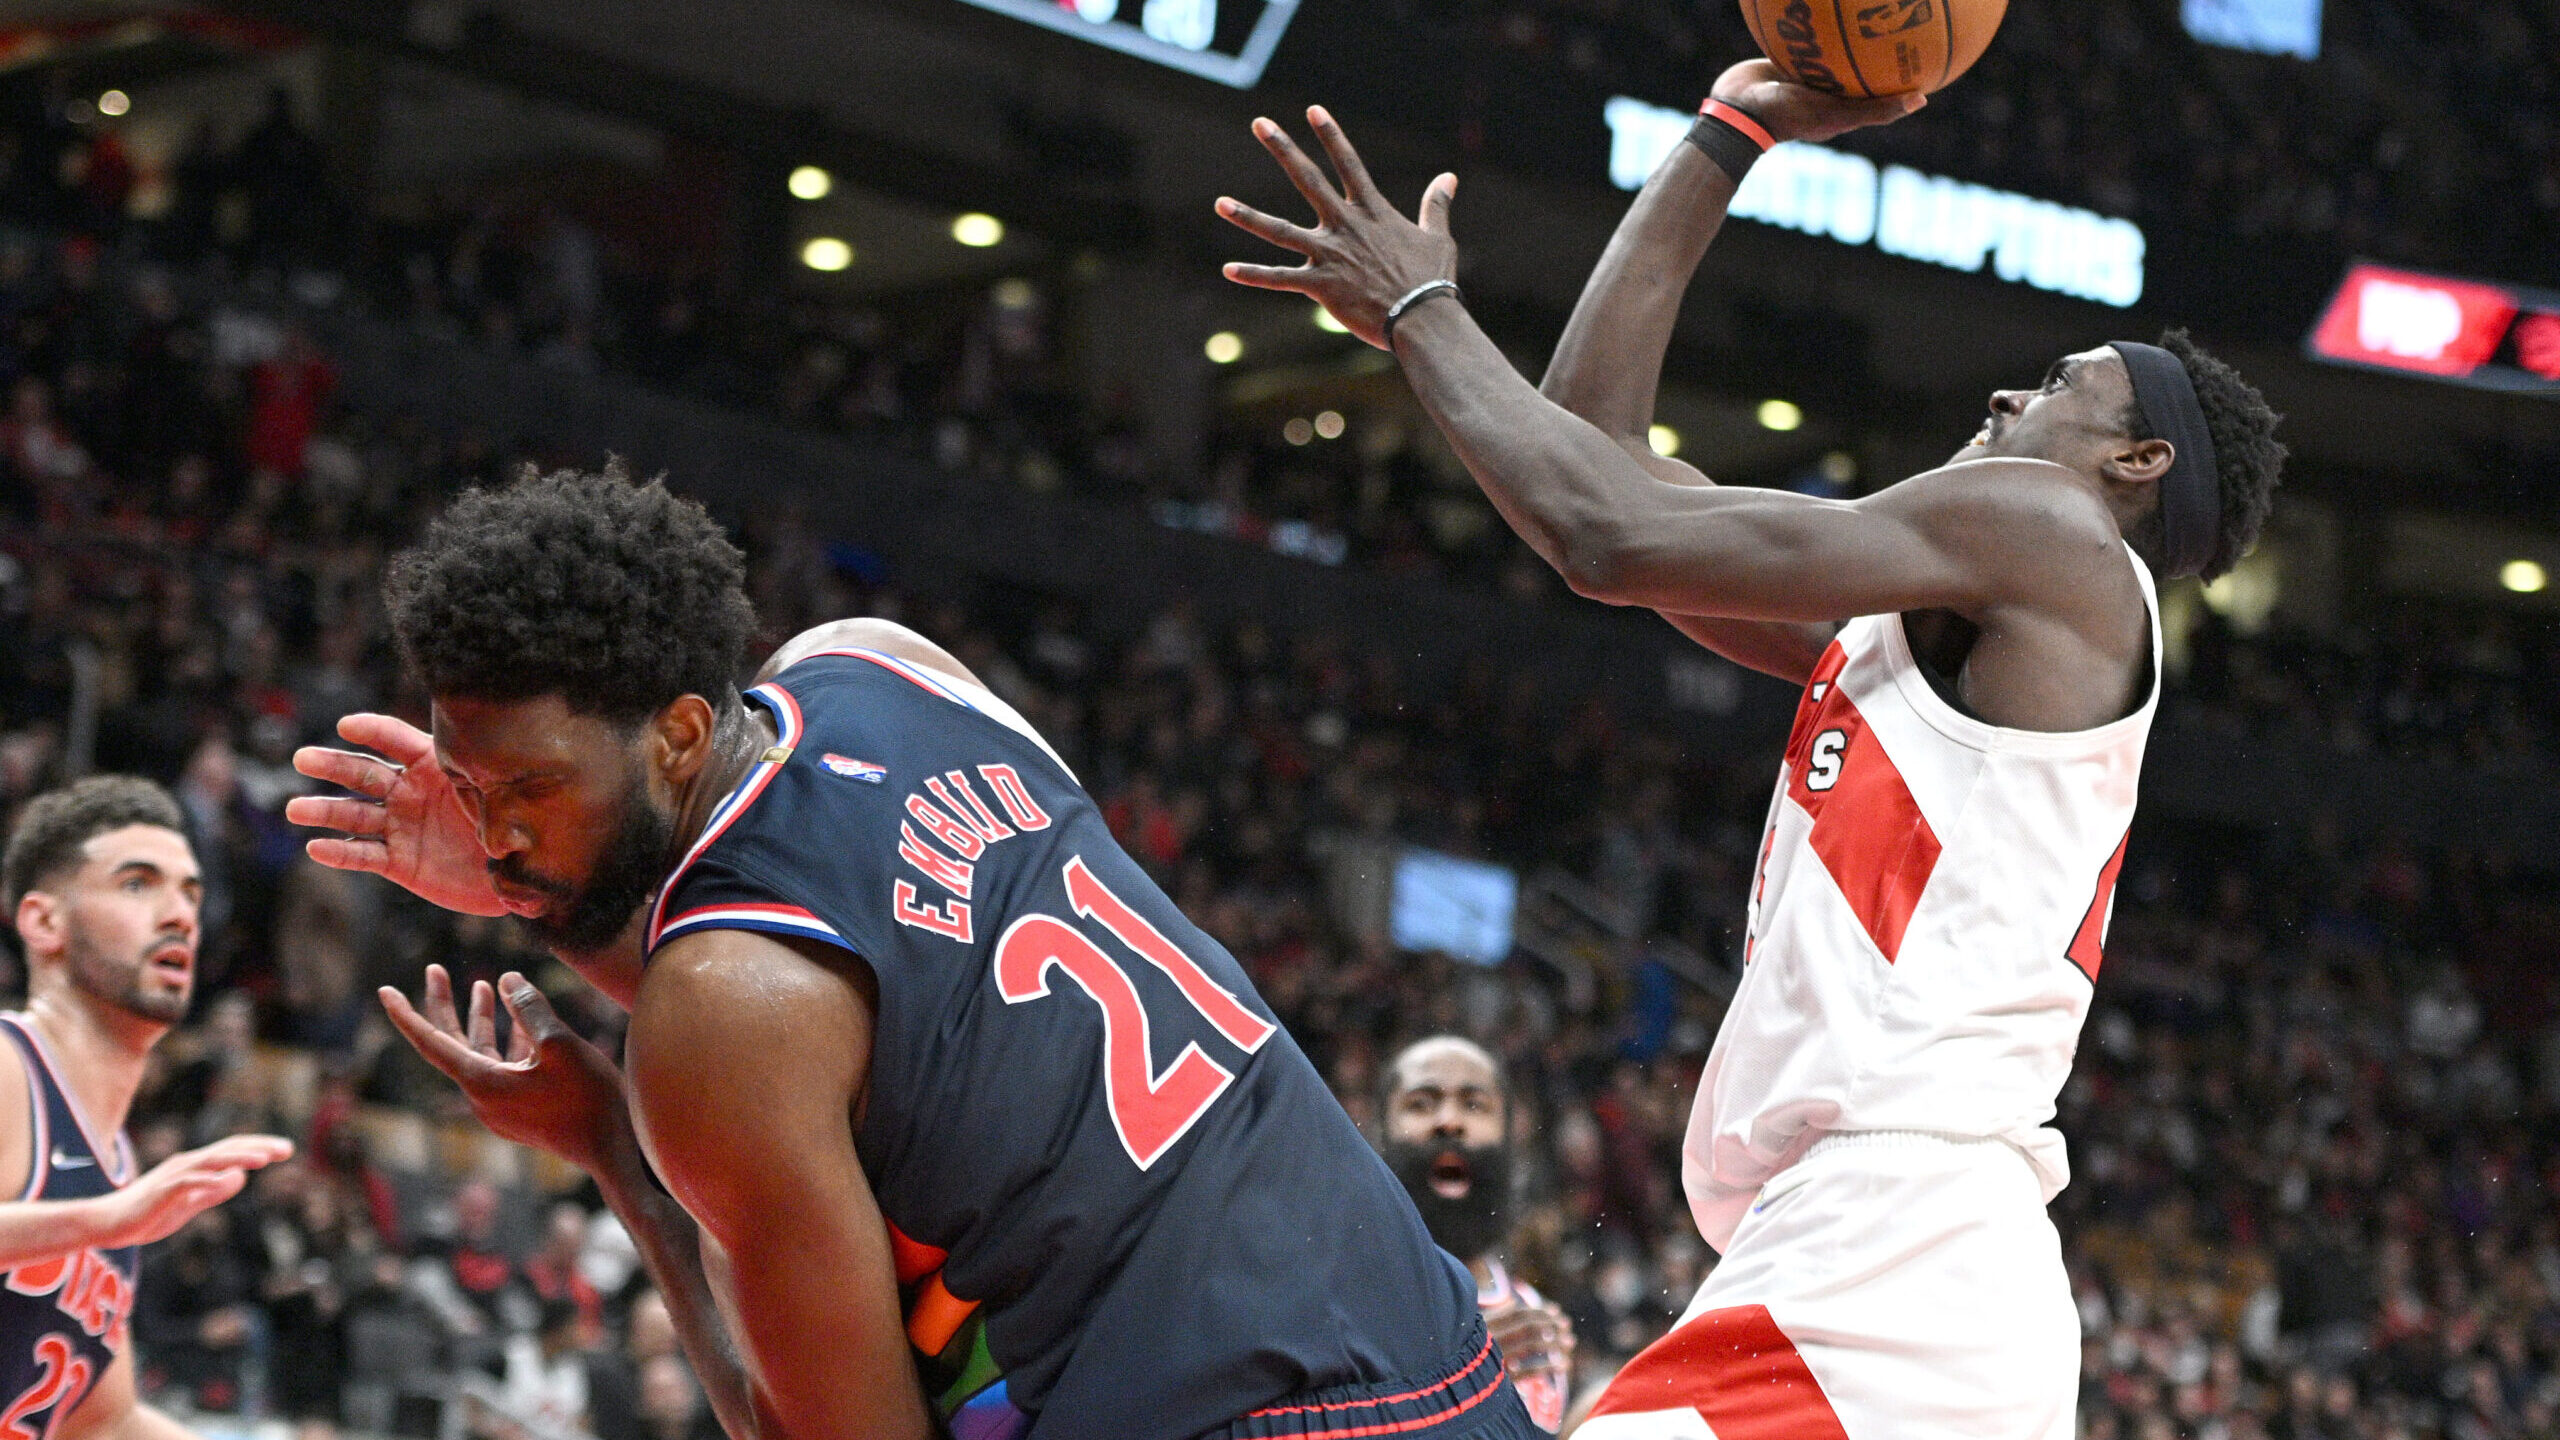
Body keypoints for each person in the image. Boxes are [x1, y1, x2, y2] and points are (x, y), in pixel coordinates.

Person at [1214, 59, 2284, 1440]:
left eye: (2060, 386)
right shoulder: (1922, 631)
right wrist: (1732, 132)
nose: (2011, 401)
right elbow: (1593, 456)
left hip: (1896, 1263)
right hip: (1870, 1262)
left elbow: (1604, 536)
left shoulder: (2053, 535)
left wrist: (1424, 309)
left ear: (2136, 467)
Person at [286, 465, 1536, 1440]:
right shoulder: (876, 666)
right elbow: (856, 966)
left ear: (672, 734)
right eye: (465, 781)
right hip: (1434, 1353)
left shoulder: (717, 1020)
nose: (493, 831)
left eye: (531, 788)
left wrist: (610, 1142)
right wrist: (547, 887)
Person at [0, 776, 294, 1440]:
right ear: (45, 922)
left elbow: (103, 1423)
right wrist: (103, 1221)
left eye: (191, 891)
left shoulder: (116, 1165)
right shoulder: (8, 1068)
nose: (181, 914)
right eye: (138, 883)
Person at [1379, 1038, 1573, 1431]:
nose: (1449, 1121)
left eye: (1474, 1104)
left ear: (1509, 1134)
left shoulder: (1530, 1315)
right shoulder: (1340, 1299)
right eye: (1420, 1103)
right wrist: (1466, 1374)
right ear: (1381, 1131)